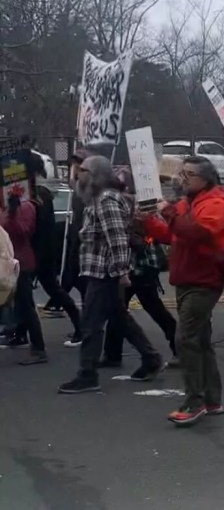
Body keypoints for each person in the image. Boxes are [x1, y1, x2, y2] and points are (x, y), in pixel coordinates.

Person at [58, 156, 164, 394]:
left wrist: (121, 272)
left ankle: (87, 374)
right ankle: (151, 358)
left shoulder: (106, 200)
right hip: (99, 270)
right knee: (119, 318)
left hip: (104, 273)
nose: (78, 174)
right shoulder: (96, 200)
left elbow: (116, 239)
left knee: (91, 324)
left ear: (95, 175)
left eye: (83, 170)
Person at [143, 156, 224, 426]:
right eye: (182, 173)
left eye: (189, 174)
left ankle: (194, 402)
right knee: (200, 340)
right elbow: (174, 235)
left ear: (206, 179)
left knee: (186, 339)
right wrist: (146, 222)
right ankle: (212, 399)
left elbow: (195, 233)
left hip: (204, 282)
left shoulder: (215, 206)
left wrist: (169, 213)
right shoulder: (188, 203)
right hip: (186, 280)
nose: (182, 178)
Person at [102, 174, 178, 367]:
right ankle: (112, 354)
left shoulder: (127, 206)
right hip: (139, 265)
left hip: (139, 265)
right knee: (121, 310)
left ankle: (114, 354)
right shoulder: (129, 204)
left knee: (139, 309)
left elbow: (143, 236)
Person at [27, 153, 83, 346]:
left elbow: (39, 228)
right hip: (39, 251)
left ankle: (78, 325)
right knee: (50, 291)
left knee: (49, 291)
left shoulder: (39, 195)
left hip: (40, 252)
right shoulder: (35, 193)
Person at [0, 191, 47, 365]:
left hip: (20, 264)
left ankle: (38, 348)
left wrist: (12, 213)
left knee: (25, 305)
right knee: (17, 305)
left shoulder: (26, 207)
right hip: (7, 263)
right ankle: (19, 335)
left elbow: (22, 231)